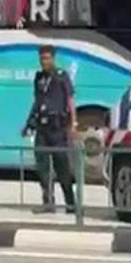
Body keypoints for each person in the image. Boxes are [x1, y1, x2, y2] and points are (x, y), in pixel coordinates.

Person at [24, 45, 77, 213]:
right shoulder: (38, 78)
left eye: (47, 58)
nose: (44, 62)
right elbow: (37, 101)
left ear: (53, 59)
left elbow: (70, 100)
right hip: (42, 127)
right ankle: (48, 202)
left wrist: (73, 123)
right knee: (43, 167)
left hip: (57, 127)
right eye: (41, 58)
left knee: (62, 166)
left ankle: (71, 203)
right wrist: (28, 123)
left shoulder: (62, 76)